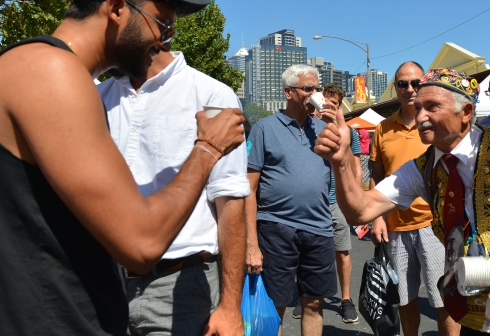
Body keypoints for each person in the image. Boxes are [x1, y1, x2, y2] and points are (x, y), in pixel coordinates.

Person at [0, 0, 245, 335]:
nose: (165, 39)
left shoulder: (42, 70)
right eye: (161, 23)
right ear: (116, 8)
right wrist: (208, 148)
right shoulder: (52, 71)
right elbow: (141, 243)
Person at [315, 68, 490, 335]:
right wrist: (340, 163)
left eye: (432, 107)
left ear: (466, 113)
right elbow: (360, 211)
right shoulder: (423, 167)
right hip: (477, 318)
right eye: (418, 107)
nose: (420, 117)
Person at [97, 49, 248, 335]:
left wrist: (230, 306)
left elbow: (229, 202)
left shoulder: (212, 96)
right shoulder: (95, 96)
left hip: (181, 288)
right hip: (101, 284)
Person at [245, 65, 337, 336]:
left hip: (319, 227)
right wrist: (252, 244)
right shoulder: (264, 129)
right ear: (288, 92)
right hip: (276, 227)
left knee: (314, 303)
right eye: (308, 89)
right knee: (276, 304)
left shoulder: (324, 129)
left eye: (317, 89)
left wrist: (337, 124)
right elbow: (248, 190)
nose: (315, 94)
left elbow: (347, 173)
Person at [369, 61, 458, 336]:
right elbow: (377, 176)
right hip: (396, 227)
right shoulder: (383, 128)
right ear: (395, 88)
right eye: (402, 83)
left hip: (434, 225)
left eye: (415, 83)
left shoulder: (437, 124)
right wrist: (377, 219)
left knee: (443, 298)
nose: (409, 89)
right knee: (405, 299)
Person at [294, 83, 362, 323]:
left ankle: (345, 299)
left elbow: (356, 169)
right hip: (312, 201)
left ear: (340, 105)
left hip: (337, 202)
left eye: (333, 103)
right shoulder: (309, 128)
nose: (327, 107)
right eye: (324, 101)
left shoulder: (349, 132)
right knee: (307, 252)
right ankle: (307, 296)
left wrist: (356, 200)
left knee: (342, 251)